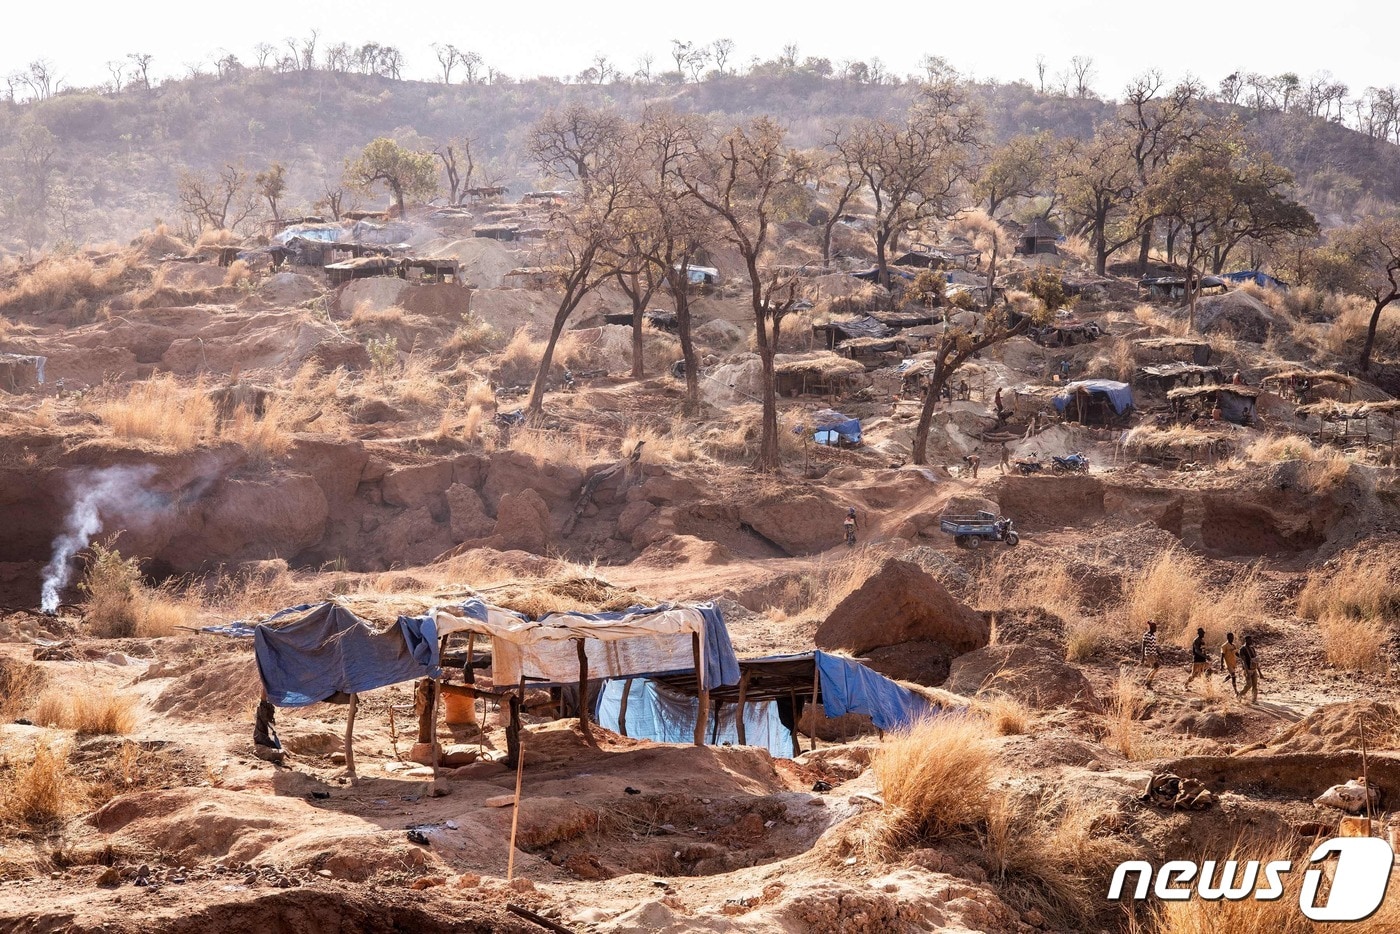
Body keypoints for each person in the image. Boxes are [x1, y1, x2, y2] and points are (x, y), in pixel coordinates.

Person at [1238, 634, 1260, 702]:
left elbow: (1256, 660)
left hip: (1253, 669)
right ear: (1246, 640)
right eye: (1250, 640)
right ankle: (1240, 695)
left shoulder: (1252, 648)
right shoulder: (1242, 649)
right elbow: (1243, 661)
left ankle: (1254, 700)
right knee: (1248, 685)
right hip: (1247, 669)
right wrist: (1246, 671)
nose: (1251, 641)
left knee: (1255, 686)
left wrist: (1260, 672)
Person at [1141, 620, 1162, 689]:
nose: (1156, 629)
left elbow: (1154, 646)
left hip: (1153, 654)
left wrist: (1160, 654)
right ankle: (1148, 683)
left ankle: (1147, 682)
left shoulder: (1153, 636)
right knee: (1156, 668)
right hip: (1149, 654)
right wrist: (1143, 657)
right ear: (1152, 628)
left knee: (1154, 668)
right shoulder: (1146, 635)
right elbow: (1143, 646)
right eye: (1155, 628)